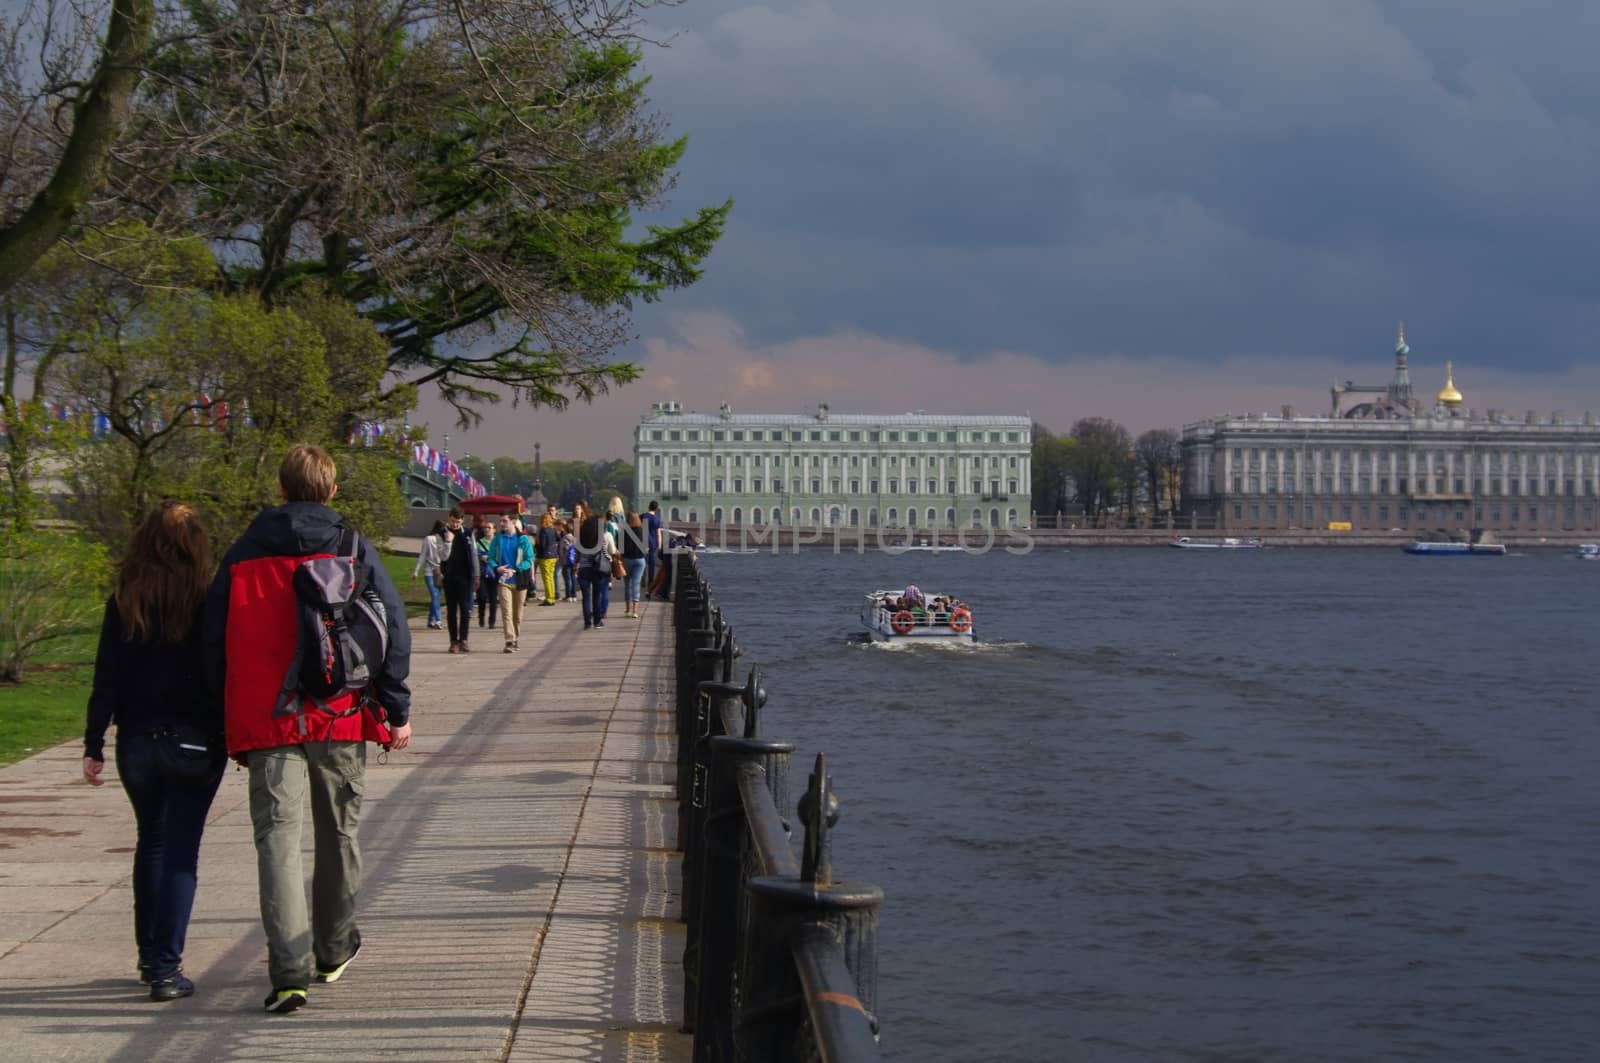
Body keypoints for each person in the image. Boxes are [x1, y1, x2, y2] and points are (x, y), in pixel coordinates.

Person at [202, 443, 412, 1014]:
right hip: (339, 712)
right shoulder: (351, 546)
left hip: (267, 717)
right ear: (333, 490)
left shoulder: (243, 552)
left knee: (276, 841)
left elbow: (212, 641)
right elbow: (393, 626)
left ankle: (288, 973)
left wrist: (223, 717)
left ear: (281, 489)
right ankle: (334, 947)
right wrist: (395, 708)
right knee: (338, 834)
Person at [83, 501, 224, 1002]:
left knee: (153, 842)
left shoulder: (125, 598)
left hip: (137, 740)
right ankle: (166, 965)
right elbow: (219, 673)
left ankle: (150, 955)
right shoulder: (208, 599)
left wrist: (94, 741)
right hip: (194, 738)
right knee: (182, 850)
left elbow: (107, 677)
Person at [490, 513, 532, 651]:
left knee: (517, 614)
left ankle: (516, 637)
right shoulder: (498, 539)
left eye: (505, 521)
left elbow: (529, 559)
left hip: (519, 581)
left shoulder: (523, 539)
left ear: (513, 521)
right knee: (506, 612)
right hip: (504, 581)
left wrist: (515, 570)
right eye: (500, 521)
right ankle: (509, 640)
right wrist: (497, 568)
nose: (501, 524)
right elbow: (491, 558)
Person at [439, 508, 477, 653]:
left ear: (462, 521)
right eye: (453, 521)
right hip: (449, 576)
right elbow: (441, 555)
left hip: (465, 576)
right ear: (449, 519)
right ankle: (453, 641)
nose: (455, 524)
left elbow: (473, 554)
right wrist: (448, 542)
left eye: (458, 522)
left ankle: (464, 639)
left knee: (465, 609)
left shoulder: (467, 534)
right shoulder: (441, 534)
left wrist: (476, 575)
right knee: (451, 610)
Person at [576, 508, 615, 629]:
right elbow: (607, 552)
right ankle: (597, 621)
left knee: (586, 596)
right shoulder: (603, 537)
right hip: (598, 568)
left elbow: (577, 553)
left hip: (584, 567)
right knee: (597, 594)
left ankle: (587, 622)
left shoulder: (581, 538)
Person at [412, 520, 446, 629]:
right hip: (429, 571)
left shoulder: (446, 541)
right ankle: (439, 620)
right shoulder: (429, 539)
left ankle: (430, 620)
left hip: (441, 571)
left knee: (436, 596)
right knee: (434, 595)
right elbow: (423, 555)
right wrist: (416, 571)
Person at [620, 511, 648, 618]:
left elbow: (621, 548)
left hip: (627, 560)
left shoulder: (624, 531)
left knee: (628, 584)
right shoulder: (642, 531)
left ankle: (627, 609)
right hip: (640, 560)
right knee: (636, 584)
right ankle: (635, 611)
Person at [473, 520, 496, 630]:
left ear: (494, 530)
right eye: (485, 527)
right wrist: (480, 557)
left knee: (493, 598)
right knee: (481, 597)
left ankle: (492, 621)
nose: (487, 529)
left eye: (489, 527)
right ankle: (481, 617)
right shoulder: (479, 542)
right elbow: (474, 556)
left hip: (494, 573)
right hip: (482, 572)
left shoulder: (497, 542)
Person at [536, 513, 561, 606]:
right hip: (553, 556)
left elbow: (542, 545)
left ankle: (549, 598)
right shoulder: (553, 529)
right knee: (551, 578)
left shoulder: (543, 530)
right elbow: (558, 538)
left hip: (545, 557)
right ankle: (552, 597)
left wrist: (537, 548)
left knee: (546, 578)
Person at [642, 501, 662, 590]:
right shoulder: (656, 519)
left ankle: (642, 581)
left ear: (648, 507)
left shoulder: (643, 516)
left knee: (643, 562)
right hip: (653, 543)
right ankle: (650, 581)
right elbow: (658, 533)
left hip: (643, 542)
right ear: (656, 509)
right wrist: (660, 545)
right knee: (651, 564)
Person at [559, 520, 578, 601]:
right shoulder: (575, 539)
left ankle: (568, 595)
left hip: (566, 561)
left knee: (567, 579)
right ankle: (574, 595)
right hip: (574, 561)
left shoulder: (564, 538)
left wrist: (561, 559)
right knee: (573, 578)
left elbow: (561, 551)